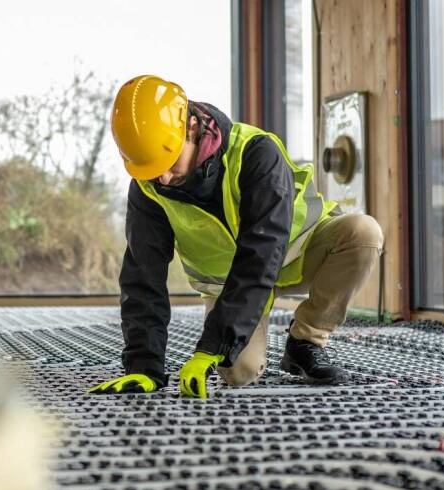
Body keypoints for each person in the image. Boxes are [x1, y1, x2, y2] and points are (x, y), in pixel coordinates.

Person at [88, 75, 383, 399]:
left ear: (192, 127)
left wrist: (213, 343)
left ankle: (307, 340)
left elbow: (261, 252)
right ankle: (249, 335)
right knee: (238, 372)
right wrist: (143, 366)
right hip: (230, 282)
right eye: (151, 169)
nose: (164, 177)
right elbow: (143, 274)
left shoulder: (255, 155)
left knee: (363, 233)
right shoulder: (149, 188)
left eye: (169, 161)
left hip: (295, 252)